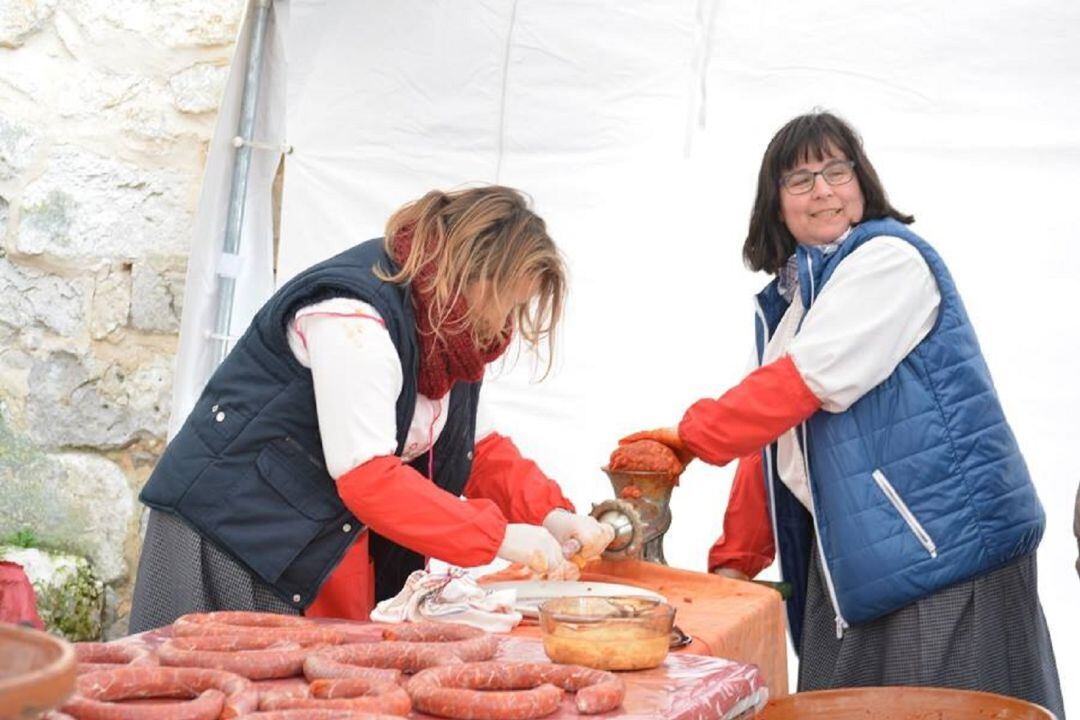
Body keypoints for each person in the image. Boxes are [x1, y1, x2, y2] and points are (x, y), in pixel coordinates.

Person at [622, 112, 1064, 715]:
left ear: (862, 182)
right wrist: (735, 560)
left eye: (836, 170)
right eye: (800, 180)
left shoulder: (889, 260)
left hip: (945, 551)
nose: (823, 188)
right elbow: (775, 435)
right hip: (868, 553)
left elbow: (802, 385)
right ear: (774, 204)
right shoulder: (802, 299)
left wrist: (688, 437)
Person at [130, 186, 612, 632]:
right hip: (226, 533)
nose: (506, 321)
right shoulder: (353, 313)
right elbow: (367, 477)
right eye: (507, 301)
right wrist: (500, 536)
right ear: (473, 272)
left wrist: (553, 516)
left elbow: (477, 449)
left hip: (295, 539)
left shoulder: (455, 333)